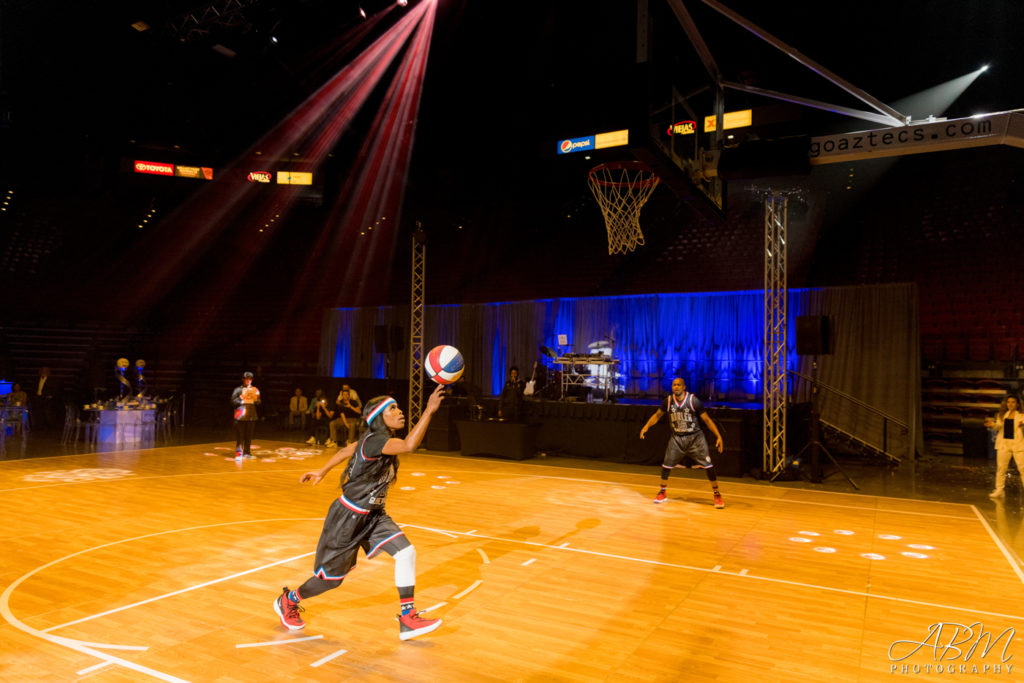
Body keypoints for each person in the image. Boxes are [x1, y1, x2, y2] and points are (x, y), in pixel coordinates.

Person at [273, 384, 447, 641]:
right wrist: (430, 410)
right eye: (393, 409)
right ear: (379, 417)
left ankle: (408, 618)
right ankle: (289, 600)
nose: (400, 412)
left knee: (406, 552)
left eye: (399, 407)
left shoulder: (371, 440)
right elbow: (410, 445)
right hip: (348, 518)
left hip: (374, 515)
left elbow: (345, 450)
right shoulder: (376, 441)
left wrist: (322, 471)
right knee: (330, 581)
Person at [640, 377, 725, 508]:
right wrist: (646, 426)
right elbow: (657, 415)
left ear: (684, 387)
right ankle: (662, 492)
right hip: (677, 438)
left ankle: (717, 494)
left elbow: (707, 420)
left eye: (679, 385)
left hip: (695, 438)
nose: (676, 387)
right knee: (666, 465)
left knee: (708, 466)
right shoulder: (668, 401)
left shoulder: (693, 401)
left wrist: (718, 436)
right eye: (674, 385)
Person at [984, 395, 1024, 498]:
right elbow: (998, 426)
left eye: (1013, 402)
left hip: (1018, 444)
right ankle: (999, 490)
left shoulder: (1021, 415)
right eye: (1008, 402)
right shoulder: (1002, 415)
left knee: (1022, 468)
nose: (1010, 404)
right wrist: (992, 424)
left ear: (1017, 404)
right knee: (1001, 468)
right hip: (1004, 444)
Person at [231, 371, 261, 459]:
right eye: (247, 379)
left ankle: (247, 452)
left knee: (249, 436)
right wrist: (242, 398)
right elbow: (233, 401)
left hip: (251, 415)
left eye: (250, 379)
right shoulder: (238, 390)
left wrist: (256, 400)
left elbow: (259, 402)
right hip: (241, 416)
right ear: (243, 379)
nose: (248, 381)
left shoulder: (255, 389)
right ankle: (239, 453)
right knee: (240, 436)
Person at [31, 366, 58, 431]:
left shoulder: (51, 380)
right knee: (39, 412)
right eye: (42, 371)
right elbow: (34, 388)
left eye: (45, 371)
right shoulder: (37, 379)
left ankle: (50, 427)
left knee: (47, 412)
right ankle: (40, 426)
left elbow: (54, 389)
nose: (43, 372)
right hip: (38, 397)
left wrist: (51, 395)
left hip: (46, 398)